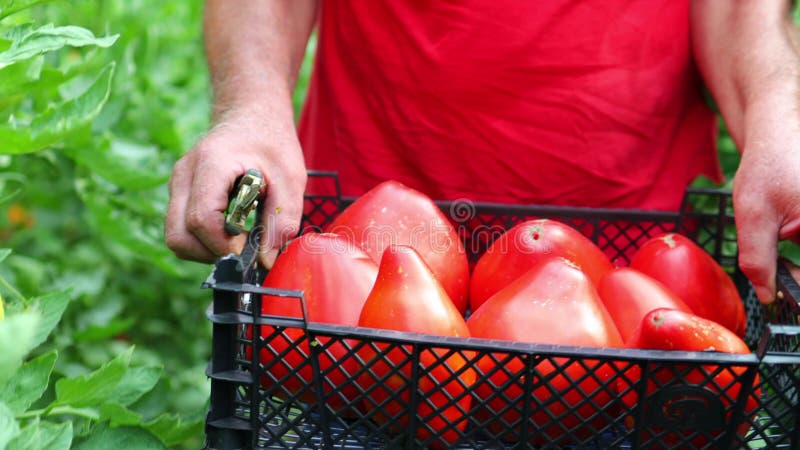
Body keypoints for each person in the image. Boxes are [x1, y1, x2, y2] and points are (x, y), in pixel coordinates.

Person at [165, 0, 800, 305]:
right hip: (357, 280)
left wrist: (779, 118)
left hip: (644, 293)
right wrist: (253, 109)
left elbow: (742, 9)